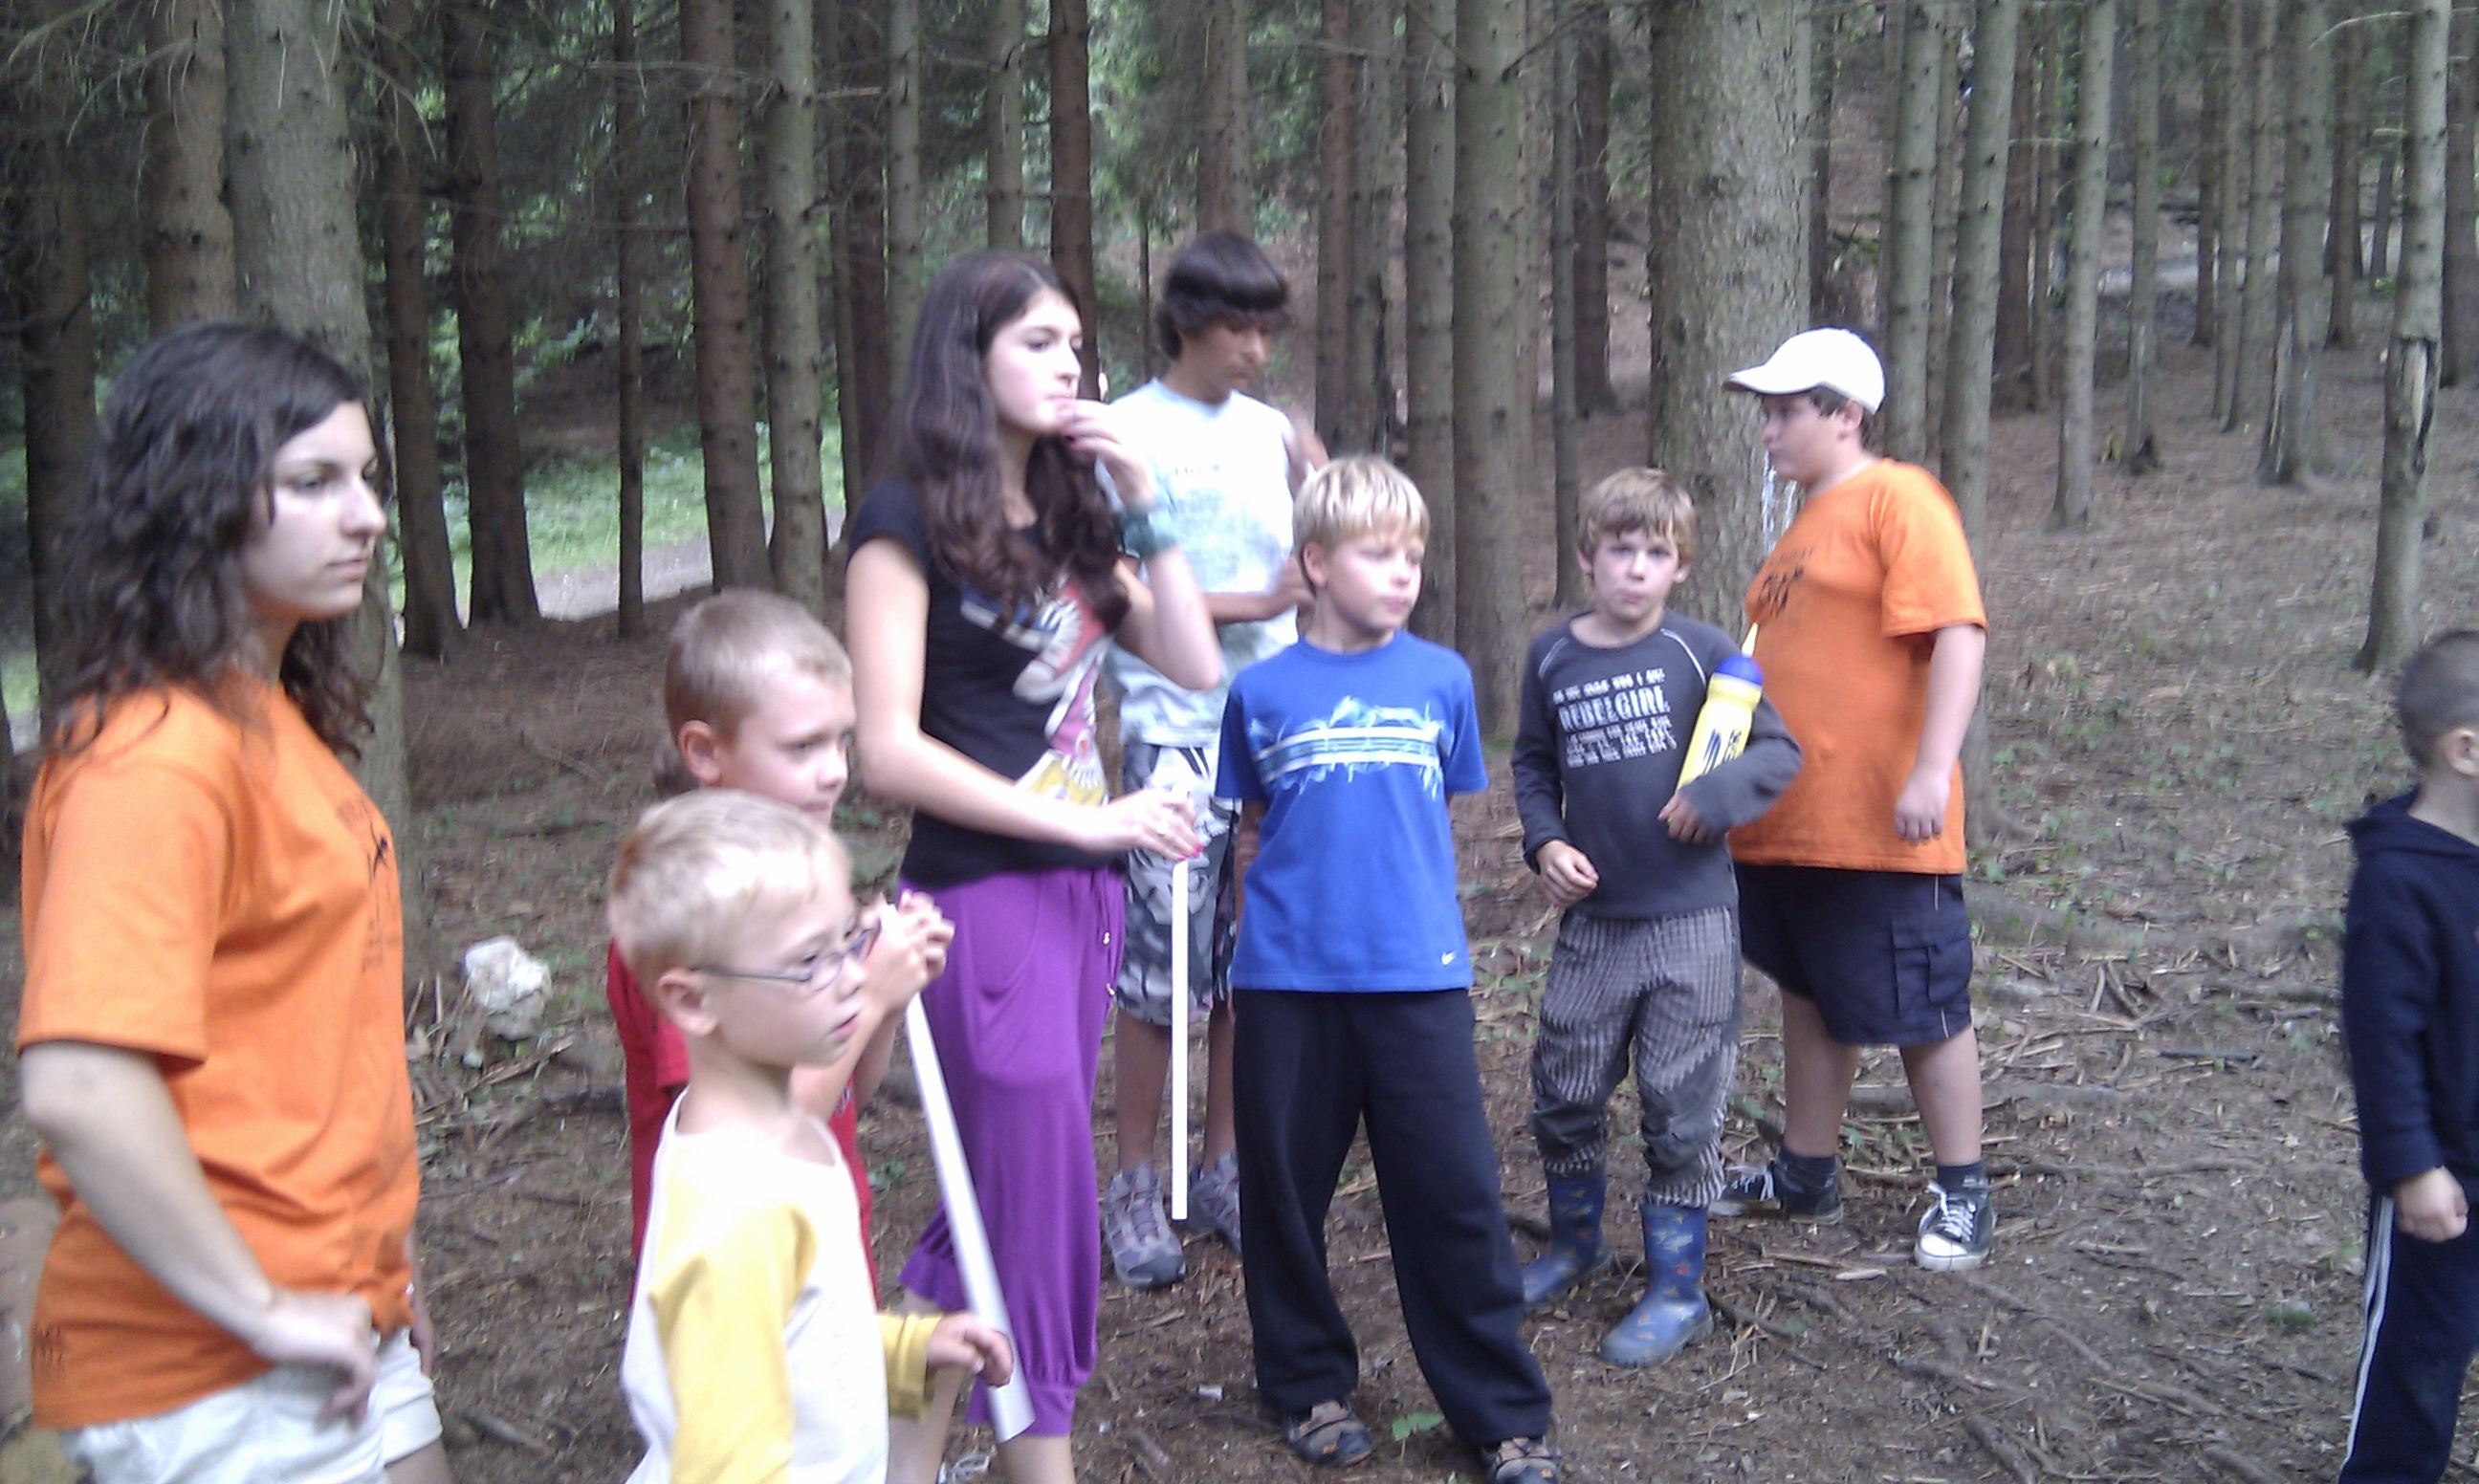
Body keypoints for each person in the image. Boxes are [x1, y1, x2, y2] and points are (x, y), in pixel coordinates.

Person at [14, 323, 451, 1483]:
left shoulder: (261, 718)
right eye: (313, 482)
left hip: (336, 1318)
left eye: (367, 478)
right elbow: (81, 1083)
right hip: (205, 1363)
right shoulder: (155, 756)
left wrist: (383, 1267)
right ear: (195, 499)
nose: (366, 515)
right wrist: (264, 1307)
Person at [845, 251, 1219, 1483]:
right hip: (976, 905)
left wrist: (1144, 492)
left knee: (984, 1210)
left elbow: (1192, 659)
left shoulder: (1073, 518)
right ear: (970, 359)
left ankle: (902, 1462)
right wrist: (1085, 827)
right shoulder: (902, 519)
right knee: (1039, 1214)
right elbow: (887, 751)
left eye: (1077, 344)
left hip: (1080, 900)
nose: (1072, 365)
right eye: (1039, 342)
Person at [1218, 457, 1561, 1484]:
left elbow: (1432, 811)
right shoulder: (1260, 691)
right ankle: (1305, 1383)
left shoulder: (1442, 678)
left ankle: (1500, 1412)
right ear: (1317, 563)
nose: (1404, 572)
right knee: (1285, 1195)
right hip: (1287, 985)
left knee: (1454, 1194)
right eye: (1378, 554)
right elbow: (1251, 828)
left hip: (1418, 976)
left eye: (1413, 553)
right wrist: (1262, 943)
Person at [606, 790, 1013, 1483]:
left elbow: (798, 1331)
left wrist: (906, 1350)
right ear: (692, 1000)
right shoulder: (735, 1215)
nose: (853, 977)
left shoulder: (773, 1131)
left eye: (848, 941)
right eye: (808, 963)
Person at [1712, 328, 1996, 1272]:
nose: (1768, 430)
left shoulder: (1899, 497)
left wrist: (1931, 769)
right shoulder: (1801, 527)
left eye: (1786, 412)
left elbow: (1957, 632)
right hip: (1786, 822)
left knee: (1923, 1003)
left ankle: (1964, 1191)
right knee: (1808, 993)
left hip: (1878, 823)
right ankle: (1806, 1172)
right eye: (1766, 413)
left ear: (1845, 414)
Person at [1509, 469, 1802, 1366]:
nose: (1635, 568)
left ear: (1680, 566)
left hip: (1692, 924)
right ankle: (1576, 1245)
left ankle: (1678, 1291)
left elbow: (1778, 751)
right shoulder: (1551, 658)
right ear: (1587, 556)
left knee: (1680, 1108)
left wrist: (1717, 796)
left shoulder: (1702, 650)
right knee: (1565, 1089)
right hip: (1596, 924)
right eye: (1619, 549)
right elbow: (1532, 765)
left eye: (1656, 553)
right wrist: (1545, 843)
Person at [603, 590, 953, 1278]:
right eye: (803, 747)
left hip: (824, 1244)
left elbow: (846, 1091)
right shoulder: (693, 919)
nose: (836, 770)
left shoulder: (800, 891)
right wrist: (871, 994)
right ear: (705, 752)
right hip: (738, 1270)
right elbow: (751, 1142)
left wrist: (883, 994)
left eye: (842, 740)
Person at [1101, 229, 1324, 1288]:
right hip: (1171, 727)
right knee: (1161, 971)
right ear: (1187, 320)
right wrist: (1257, 599)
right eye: (1240, 328)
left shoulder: (1272, 431)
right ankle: (1134, 1182)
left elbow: (1321, 548)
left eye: (1267, 329)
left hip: (1271, 727)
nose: (1257, 349)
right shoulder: (1124, 432)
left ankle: (1224, 1165)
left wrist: (1320, 489)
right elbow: (1112, 582)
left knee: (1248, 960)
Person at [2337, 631, 2479, 1484]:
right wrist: (2412, 1168)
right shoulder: (2398, 885)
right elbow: (2380, 1043)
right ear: (2467, 750)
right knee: (2417, 1367)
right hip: (2446, 1185)